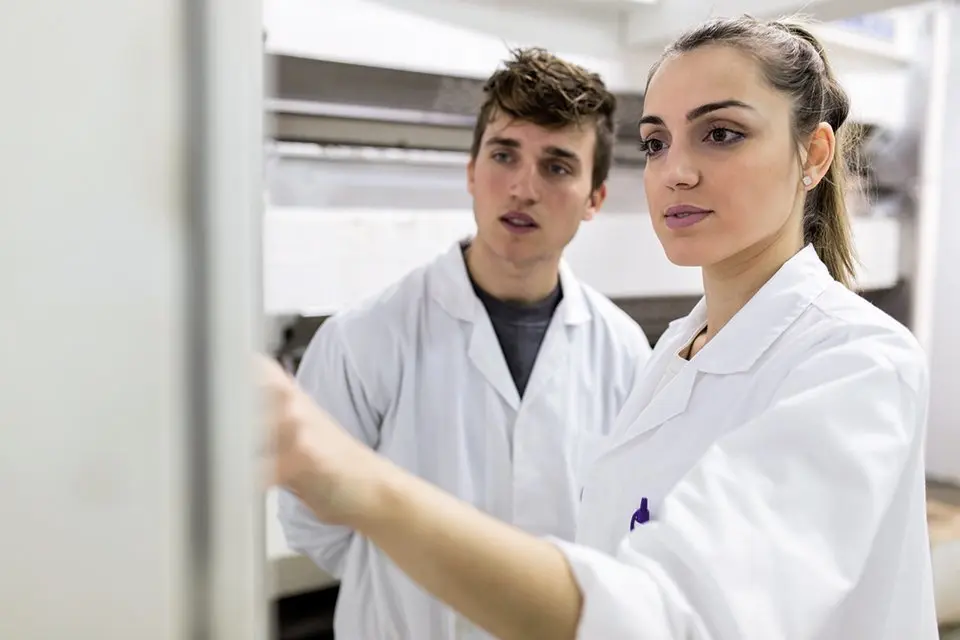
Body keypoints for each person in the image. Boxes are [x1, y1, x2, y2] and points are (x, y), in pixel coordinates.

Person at [262, 16, 938, 640]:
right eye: (655, 142)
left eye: (721, 133)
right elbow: (319, 534)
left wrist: (362, 486)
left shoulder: (858, 362)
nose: (676, 170)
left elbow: (671, 614)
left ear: (814, 153)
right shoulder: (675, 353)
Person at [276, 47, 653, 639]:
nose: (524, 187)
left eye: (557, 166)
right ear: (472, 171)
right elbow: (314, 525)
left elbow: (626, 526)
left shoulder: (626, 353)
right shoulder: (363, 338)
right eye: (505, 155)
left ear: (594, 200)